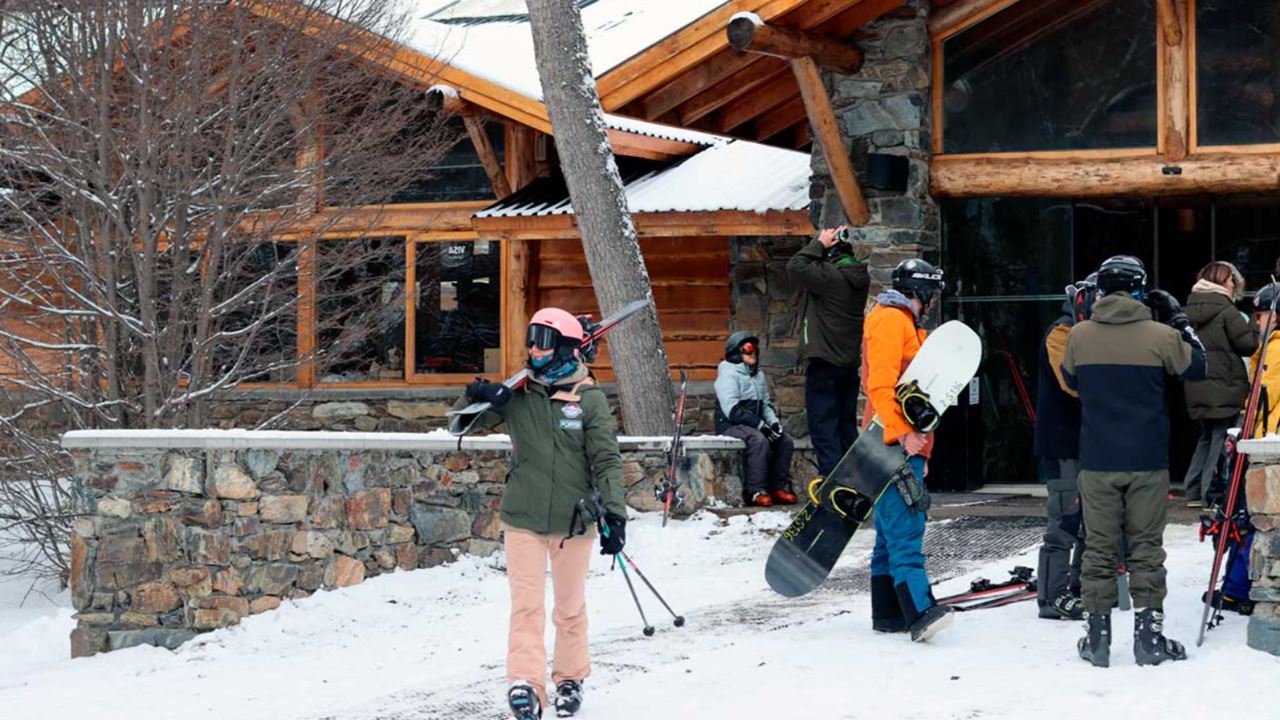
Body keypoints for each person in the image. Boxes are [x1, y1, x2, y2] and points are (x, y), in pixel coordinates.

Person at [456, 307, 627, 719]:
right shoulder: (518, 393)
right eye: (530, 338)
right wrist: (478, 393)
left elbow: (606, 460)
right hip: (524, 518)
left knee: (569, 607)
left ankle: (569, 678)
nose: (533, 347)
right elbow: (459, 425)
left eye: (543, 340)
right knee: (526, 606)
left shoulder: (589, 398)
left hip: (574, 520)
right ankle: (525, 684)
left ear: (566, 347)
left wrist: (615, 515)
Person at [1061, 255, 1206, 667]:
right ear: (1141, 289)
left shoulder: (1079, 335)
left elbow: (1070, 381)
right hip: (1147, 459)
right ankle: (1149, 638)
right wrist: (1179, 319)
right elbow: (1198, 366)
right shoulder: (1160, 334)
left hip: (1098, 459)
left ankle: (1097, 638)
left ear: (1101, 290)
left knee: (1099, 551)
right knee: (1146, 548)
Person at [861, 258, 952, 642]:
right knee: (907, 525)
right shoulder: (890, 320)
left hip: (898, 441)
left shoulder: (903, 322)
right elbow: (880, 386)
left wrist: (922, 452)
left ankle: (888, 613)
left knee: (888, 530)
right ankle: (919, 612)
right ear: (923, 292)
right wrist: (903, 437)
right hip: (891, 441)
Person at [1033, 276, 1097, 621]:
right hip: (1062, 444)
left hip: (1086, 442)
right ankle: (1051, 596)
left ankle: (1079, 586)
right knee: (1063, 521)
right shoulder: (1062, 332)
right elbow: (1072, 383)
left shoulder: (1086, 333)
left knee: (1089, 520)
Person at [786, 225, 871, 476]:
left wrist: (819, 243)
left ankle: (833, 481)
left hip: (824, 362)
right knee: (845, 425)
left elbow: (795, 266)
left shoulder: (830, 277)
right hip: (847, 364)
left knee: (824, 425)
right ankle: (854, 477)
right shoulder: (858, 276)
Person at [1182, 261, 1257, 508]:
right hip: (1224, 383)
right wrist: (1256, 325)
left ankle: (1192, 491)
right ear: (1223, 282)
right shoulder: (1226, 310)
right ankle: (1209, 495)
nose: (1233, 284)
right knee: (1220, 437)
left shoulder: (1189, 308)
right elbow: (1247, 344)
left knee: (1206, 436)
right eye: (1230, 280)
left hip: (1197, 382)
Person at [714, 331, 796, 506]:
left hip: (752, 424)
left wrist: (773, 424)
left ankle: (778, 488)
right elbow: (732, 410)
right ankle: (756, 491)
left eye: (756, 349)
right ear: (736, 352)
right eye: (748, 348)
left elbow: (766, 405)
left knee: (785, 441)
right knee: (759, 440)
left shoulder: (758, 375)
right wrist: (761, 426)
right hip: (730, 424)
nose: (753, 353)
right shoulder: (728, 375)